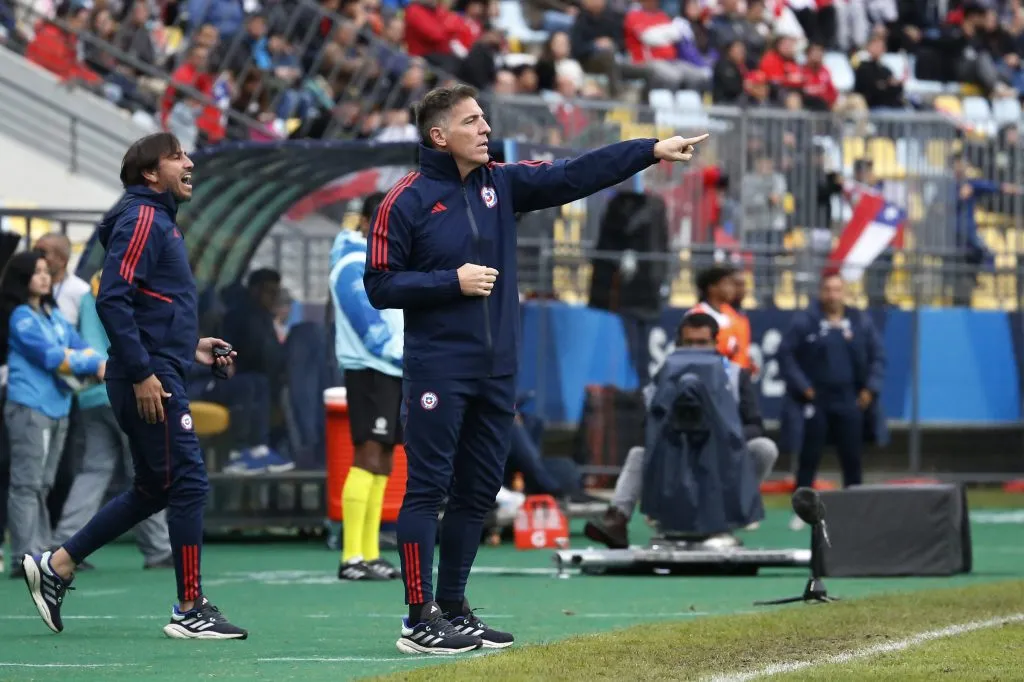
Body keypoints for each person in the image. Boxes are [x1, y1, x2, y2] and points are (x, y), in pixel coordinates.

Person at [363, 83, 709, 655]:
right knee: (427, 490)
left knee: (477, 492)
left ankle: (453, 606)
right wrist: (451, 282)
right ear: (438, 135)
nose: (484, 128)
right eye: (471, 121)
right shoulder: (405, 200)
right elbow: (378, 285)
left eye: (483, 119)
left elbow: (575, 175)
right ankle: (417, 619)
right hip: (438, 368)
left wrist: (649, 149)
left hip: (497, 370)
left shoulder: (502, 182)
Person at [18, 132, 248, 640]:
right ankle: (190, 608)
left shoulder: (155, 218)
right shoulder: (144, 217)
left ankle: (56, 565)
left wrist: (191, 345)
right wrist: (144, 370)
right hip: (146, 377)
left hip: (154, 368)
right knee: (187, 483)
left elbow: (145, 305)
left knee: (154, 488)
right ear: (150, 173)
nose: (190, 163)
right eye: (176, 157)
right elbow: (113, 299)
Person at [583, 312, 777, 549]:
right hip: (675, 452)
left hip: (724, 456)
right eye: (689, 343)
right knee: (638, 454)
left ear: (716, 344)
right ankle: (617, 519)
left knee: (765, 449)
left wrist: (724, 438)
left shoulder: (736, 375)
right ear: (678, 344)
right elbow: (648, 426)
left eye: (702, 343)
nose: (695, 349)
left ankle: (733, 512)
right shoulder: (663, 376)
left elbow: (755, 425)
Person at [50, 270, 173, 570]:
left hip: (93, 392)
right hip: (129, 389)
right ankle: (158, 549)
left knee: (93, 471)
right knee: (148, 473)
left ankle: (65, 545)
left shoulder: (93, 287)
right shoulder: (135, 282)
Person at [2, 250, 105, 580]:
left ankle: (40, 550)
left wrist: (79, 357)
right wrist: (89, 362)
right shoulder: (20, 317)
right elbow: (52, 357)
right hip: (30, 406)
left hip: (59, 406)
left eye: (46, 271)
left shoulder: (51, 314)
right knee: (26, 484)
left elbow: (80, 346)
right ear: (23, 279)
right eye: (36, 272)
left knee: (44, 483)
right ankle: (22, 555)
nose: (44, 277)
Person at [329, 191, 403, 582]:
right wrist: (408, 358)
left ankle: (370, 552)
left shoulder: (383, 261)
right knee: (368, 456)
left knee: (384, 460)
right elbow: (370, 330)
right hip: (370, 370)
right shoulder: (352, 263)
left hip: (390, 371)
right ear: (371, 220)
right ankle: (350, 556)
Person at [777, 272, 886, 530]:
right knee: (809, 457)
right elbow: (786, 355)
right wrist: (804, 388)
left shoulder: (859, 320)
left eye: (837, 290)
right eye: (827, 290)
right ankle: (802, 512)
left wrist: (870, 388)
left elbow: (878, 356)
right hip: (817, 400)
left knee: (852, 457)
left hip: (850, 398)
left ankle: (854, 508)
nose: (832, 295)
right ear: (820, 292)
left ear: (844, 292)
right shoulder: (806, 320)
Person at [688, 264, 751, 370]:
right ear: (712, 288)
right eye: (726, 284)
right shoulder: (698, 313)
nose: (731, 289)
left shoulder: (730, 314)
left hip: (734, 376)